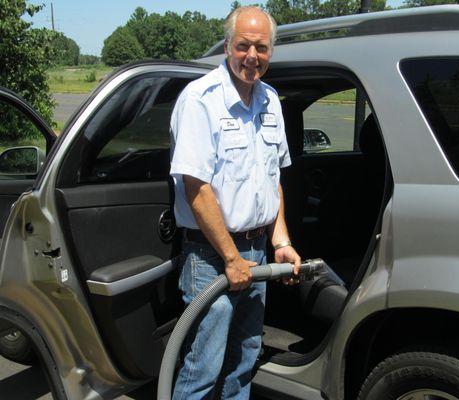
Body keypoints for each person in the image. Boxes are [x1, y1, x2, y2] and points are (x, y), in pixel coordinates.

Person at [169, 6, 301, 400]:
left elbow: (273, 179)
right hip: (212, 257)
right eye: (243, 45)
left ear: (271, 51)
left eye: (260, 48)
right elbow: (197, 187)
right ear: (228, 46)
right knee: (203, 369)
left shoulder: (270, 100)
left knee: (244, 361)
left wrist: (281, 242)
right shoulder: (200, 100)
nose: (251, 56)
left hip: (259, 251)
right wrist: (230, 258)